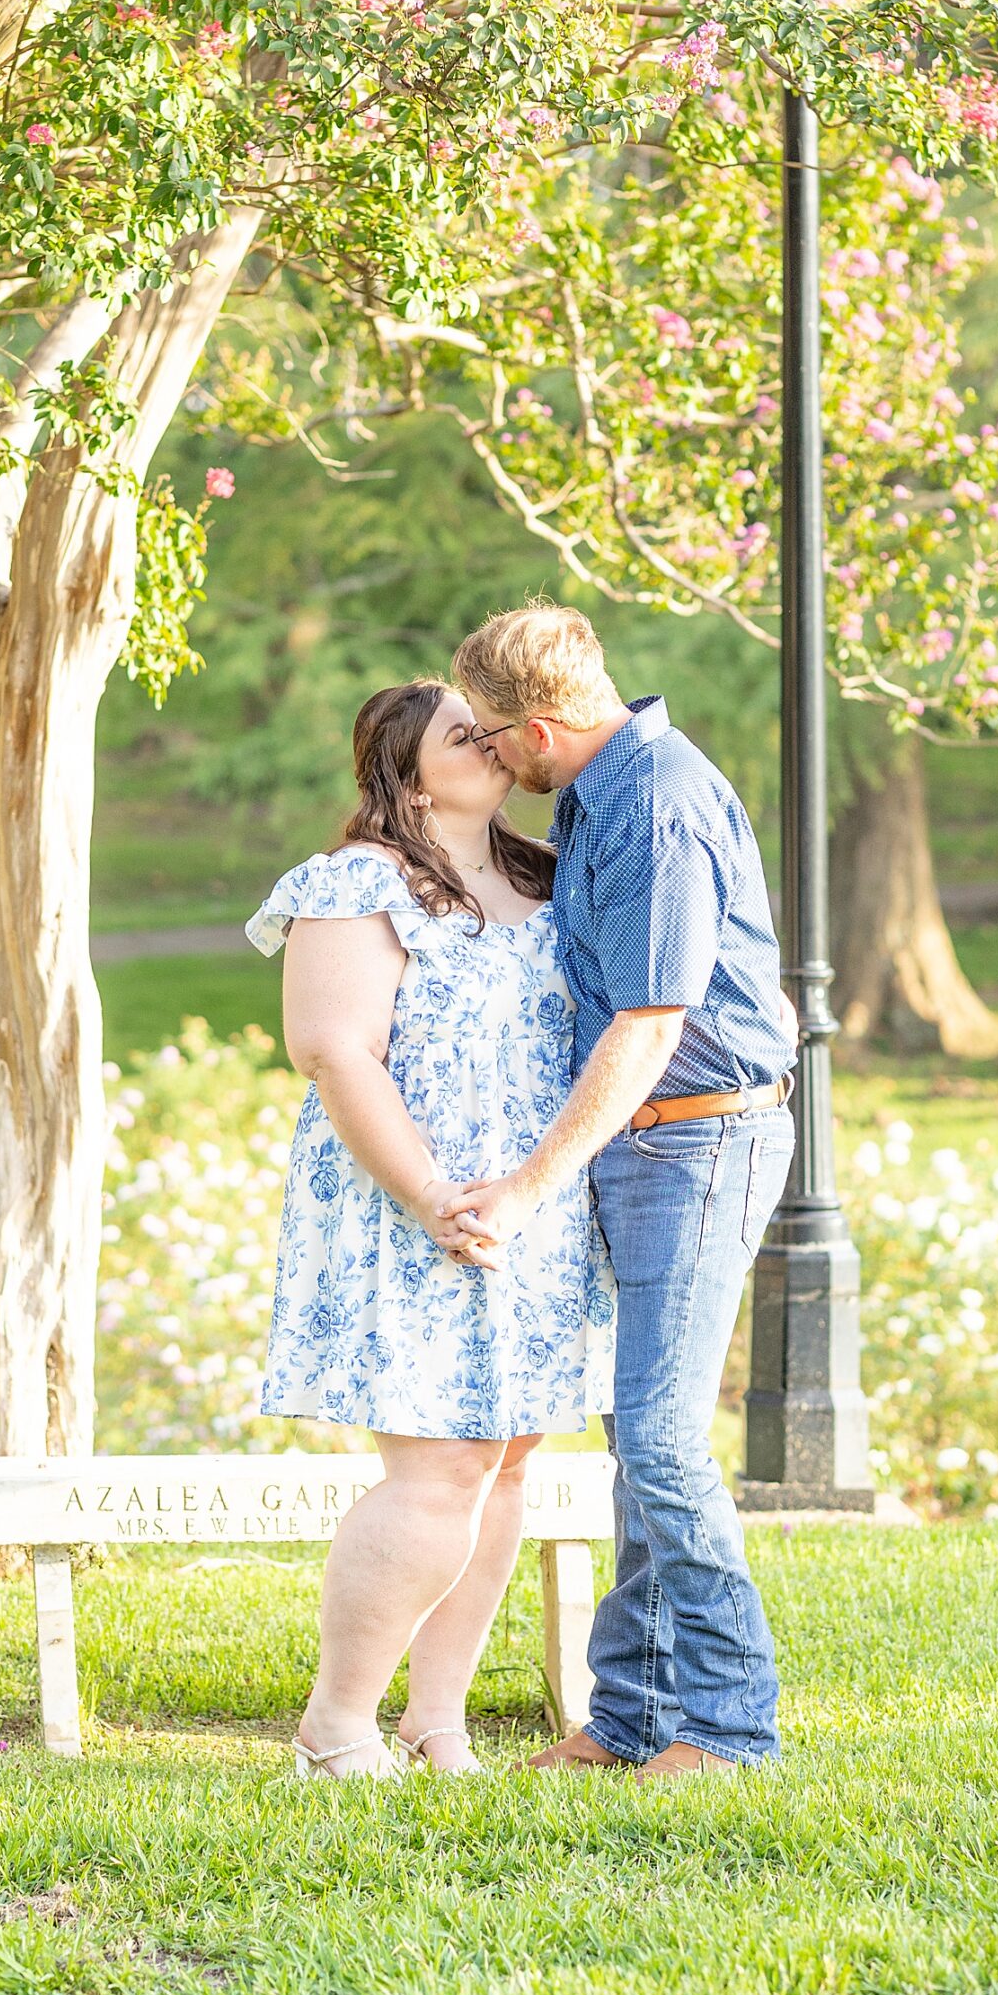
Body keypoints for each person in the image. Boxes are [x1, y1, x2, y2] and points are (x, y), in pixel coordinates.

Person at [447, 604, 796, 1781]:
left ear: (540, 728)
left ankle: (732, 1727)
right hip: (648, 1144)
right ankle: (635, 1717)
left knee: (657, 1436)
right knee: (638, 1438)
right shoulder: (603, 791)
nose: (491, 760)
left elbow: (652, 1023)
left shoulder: (655, 803)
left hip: (697, 1141)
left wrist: (529, 1187)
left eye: (493, 740)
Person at [246, 679, 615, 1779]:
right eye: (466, 733)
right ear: (407, 771)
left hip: (529, 1209)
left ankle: (436, 1718)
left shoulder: (542, 874)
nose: (494, 742)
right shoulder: (357, 881)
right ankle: (336, 1723)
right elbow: (333, 1049)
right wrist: (427, 1197)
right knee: (440, 1465)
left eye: (496, 727)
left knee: (505, 1465)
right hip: (411, 1209)